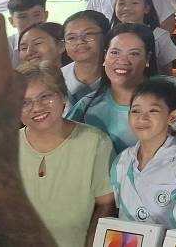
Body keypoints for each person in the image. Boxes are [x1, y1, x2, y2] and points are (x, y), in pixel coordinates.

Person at [17, 60, 115, 246]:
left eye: (45, 97)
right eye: (24, 102)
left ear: (63, 96)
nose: (37, 107)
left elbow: (106, 206)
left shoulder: (94, 142)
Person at [68, 23, 162, 153]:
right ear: (104, 57)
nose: (122, 61)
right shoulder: (87, 106)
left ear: (147, 58)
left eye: (134, 54)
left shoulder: (169, 95)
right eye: (114, 52)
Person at [111, 78, 176, 227]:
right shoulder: (122, 160)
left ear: (172, 116)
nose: (142, 118)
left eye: (153, 111)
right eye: (135, 111)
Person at [111, 0, 176, 69]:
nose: (127, 8)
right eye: (121, 3)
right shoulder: (111, 36)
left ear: (146, 9)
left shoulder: (159, 36)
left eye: (134, 3)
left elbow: (167, 72)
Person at [62, 10, 109, 103]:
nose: (80, 41)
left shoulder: (120, 76)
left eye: (88, 34)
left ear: (107, 36)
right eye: (71, 38)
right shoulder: (55, 78)